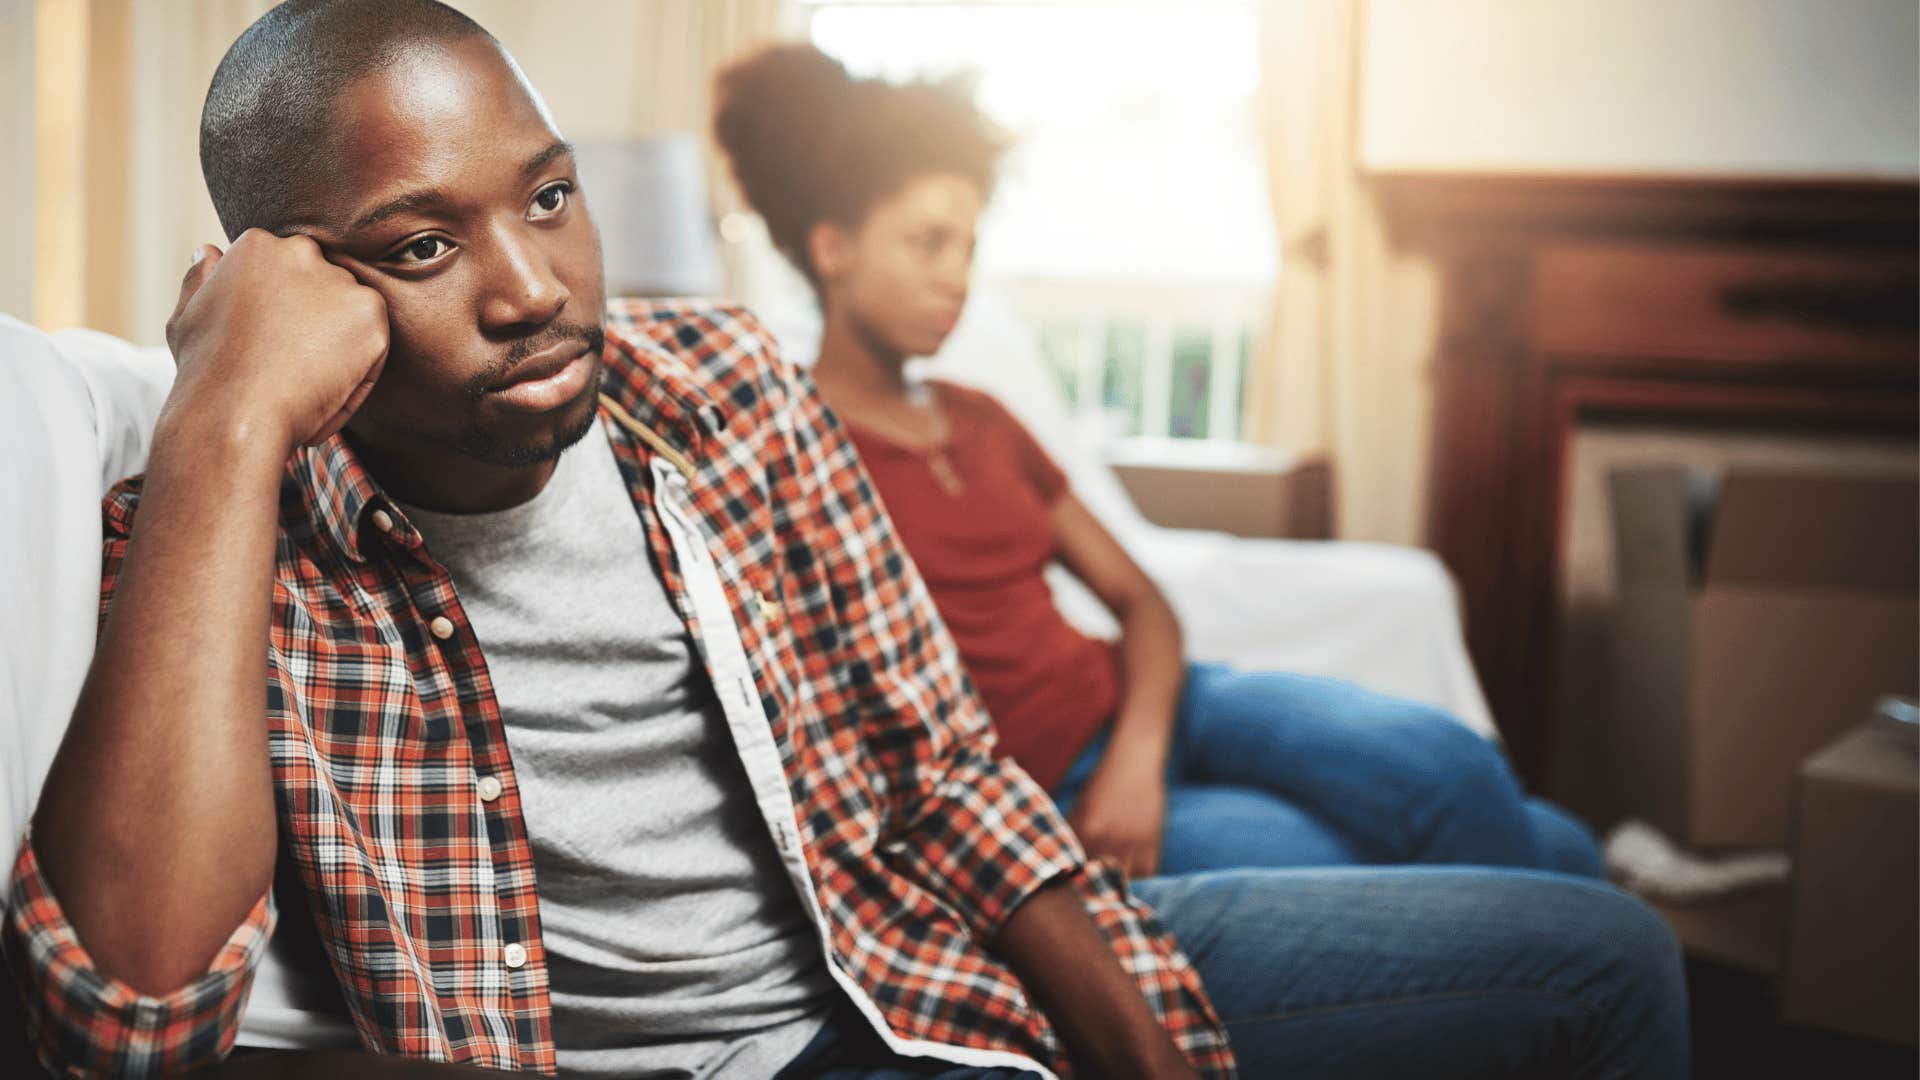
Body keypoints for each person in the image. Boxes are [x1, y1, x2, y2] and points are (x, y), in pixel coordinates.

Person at [5, 4, 1686, 1077]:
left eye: (549, 196)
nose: (533, 289)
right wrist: (224, 421)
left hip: (926, 950)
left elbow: (942, 774)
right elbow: (127, 1021)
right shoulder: (221, 543)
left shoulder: (723, 386)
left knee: (1606, 956)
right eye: (421, 247)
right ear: (296, 288)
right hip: (764, 1057)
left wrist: (1141, 1058)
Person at [713, 45, 1605, 883]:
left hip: (1170, 705)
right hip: (1055, 789)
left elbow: (1143, 602)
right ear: (832, 249)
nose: (957, 277)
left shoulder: (980, 418)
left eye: (970, 248)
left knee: (1461, 767)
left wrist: (1138, 757)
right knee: (1526, 855)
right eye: (927, 243)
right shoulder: (796, 444)